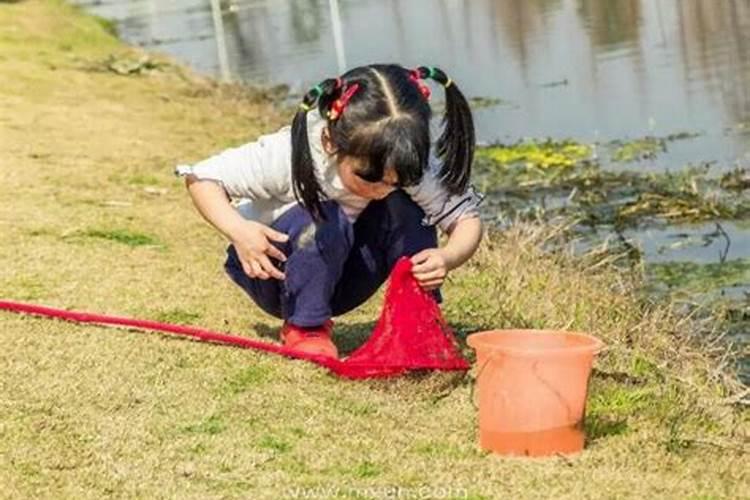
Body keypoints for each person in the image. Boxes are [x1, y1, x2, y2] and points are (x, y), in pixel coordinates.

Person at [177, 64, 483, 359]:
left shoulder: (406, 163)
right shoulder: (292, 153)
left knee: (407, 208)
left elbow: (464, 219)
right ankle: (306, 327)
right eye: (368, 177)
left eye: (396, 180)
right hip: (277, 272)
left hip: (347, 274)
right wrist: (240, 232)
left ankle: (419, 318)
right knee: (327, 216)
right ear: (330, 142)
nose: (382, 188)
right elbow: (201, 178)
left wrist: (447, 256)